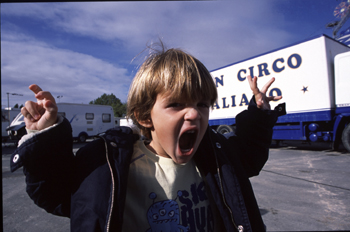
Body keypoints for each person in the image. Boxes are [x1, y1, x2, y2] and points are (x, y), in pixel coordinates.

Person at [11, 44, 285, 232]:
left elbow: (249, 158)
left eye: (202, 105)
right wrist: (43, 136)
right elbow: (55, 193)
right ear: (144, 116)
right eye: (176, 104)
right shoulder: (107, 163)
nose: (194, 114)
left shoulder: (215, 154)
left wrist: (259, 114)